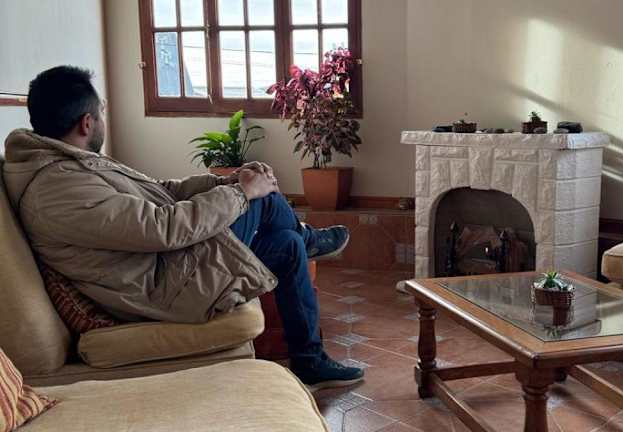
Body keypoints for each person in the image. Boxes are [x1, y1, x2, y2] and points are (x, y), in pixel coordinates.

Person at [2, 65, 363, 390]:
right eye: (102, 112)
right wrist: (241, 193)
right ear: (87, 123)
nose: (103, 120)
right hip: (161, 288)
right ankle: (310, 237)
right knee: (262, 200)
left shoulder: (71, 165)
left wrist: (226, 181)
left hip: (167, 266)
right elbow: (161, 228)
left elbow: (159, 192)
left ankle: (309, 359)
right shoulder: (58, 189)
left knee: (286, 245)